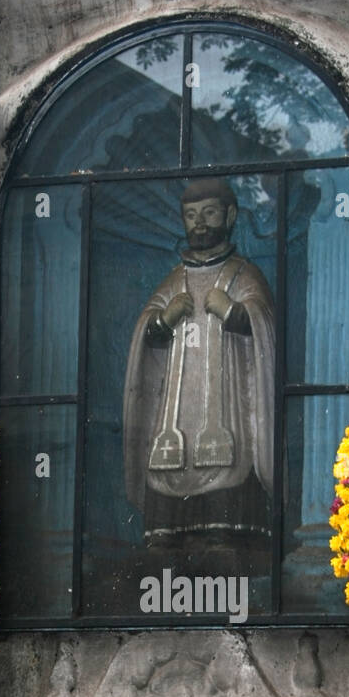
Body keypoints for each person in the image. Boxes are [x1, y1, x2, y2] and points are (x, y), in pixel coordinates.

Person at [122, 178, 275, 556]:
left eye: (208, 213)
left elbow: (264, 323)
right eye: (191, 216)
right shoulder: (174, 280)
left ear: (231, 215)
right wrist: (162, 319)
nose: (200, 223)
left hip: (227, 411)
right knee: (163, 547)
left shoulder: (243, 275)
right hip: (175, 415)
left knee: (223, 544)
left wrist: (236, 312)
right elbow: (147, 336)